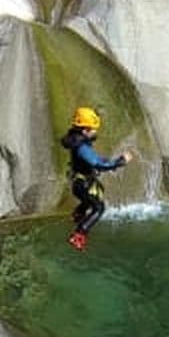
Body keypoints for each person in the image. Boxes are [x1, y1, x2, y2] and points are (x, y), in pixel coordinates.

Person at [61, 106, 132, 250]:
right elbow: (98, 164)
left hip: (81, 182)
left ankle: (78, 214)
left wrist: (108, 162)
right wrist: (120, 161)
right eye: (93, 130)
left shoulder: (77, 140)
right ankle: (79, 234)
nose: (95, 132)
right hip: (82, 184)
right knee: (99, 208)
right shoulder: (82, 147)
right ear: (85, 130)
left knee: (98, 192)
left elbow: (95, 160)